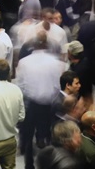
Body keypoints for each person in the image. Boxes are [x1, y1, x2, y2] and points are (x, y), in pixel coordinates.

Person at [16, 36, 66, 169]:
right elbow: (58, 85)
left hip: (30, 104)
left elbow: (20, 85)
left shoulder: (24, 62)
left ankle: (29, 164)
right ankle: (50, 163)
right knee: (50, 135)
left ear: (32, 46)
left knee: (28, 136)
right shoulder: (56, 63)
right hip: (49, 105)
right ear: (47, 45)